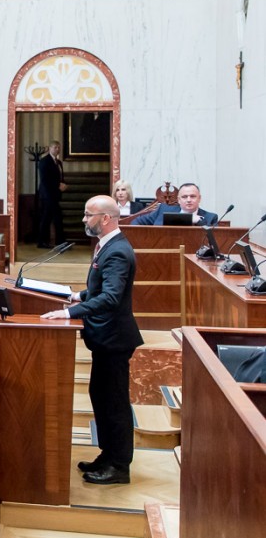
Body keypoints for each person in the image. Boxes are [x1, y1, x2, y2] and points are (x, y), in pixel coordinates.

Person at [42, 195, 143, 485]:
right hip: (105, 339)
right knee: (100, 397)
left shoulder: (118, 251)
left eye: (89, 215)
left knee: (115, 403)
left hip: (114, 339)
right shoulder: (108, 245)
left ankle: (119, 466)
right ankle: (108, 455)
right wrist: (79, 295)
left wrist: (69, 312)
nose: (84, 220)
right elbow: (101, 289)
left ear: (106, 218)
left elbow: (111, 297)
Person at [130, 182, 218, 226]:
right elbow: (136, 222)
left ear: (199, 198)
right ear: (178, 200)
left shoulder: (211, 217)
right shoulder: (162, 210)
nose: (188, 200)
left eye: (192, 196)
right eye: (184, 197)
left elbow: (214, 239)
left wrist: (199, 222)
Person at [37, 141, 67, 248]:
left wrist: (63, 184)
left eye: (59, 147)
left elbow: (59, 176)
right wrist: (58, 185)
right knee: (53, 217)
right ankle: (58, 241)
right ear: (49, 148)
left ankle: (46, 242)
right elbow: (45, 179)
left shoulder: (58, 162)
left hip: (55, 195)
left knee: (49, 218)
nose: (57, 149)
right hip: (47, 195)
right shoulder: (44, 161)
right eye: (55, 147)